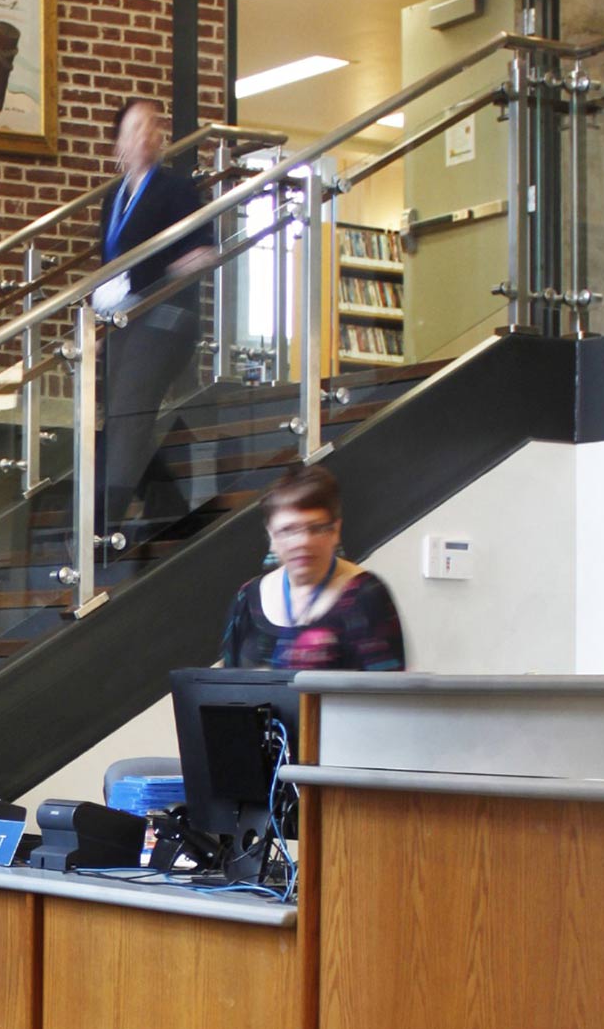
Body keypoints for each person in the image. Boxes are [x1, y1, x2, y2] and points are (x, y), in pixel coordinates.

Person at [95, 96, 219, 524]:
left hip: (166, 320)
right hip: (123, 323)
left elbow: (203, 253)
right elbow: (108, 266)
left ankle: (100, 521)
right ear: (118, 146)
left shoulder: (176, 188)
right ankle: (171, 510)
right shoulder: (113, 199)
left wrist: (159, 276)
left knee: (129, 411)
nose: (145, 135)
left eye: (152, 126)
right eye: (134, 129)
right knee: (122, 417)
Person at [220, 465, 406, 671]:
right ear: (271, 536)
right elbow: (228, 689)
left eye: (315, 528)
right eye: (288, 530)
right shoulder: (246, 599)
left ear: (335, 531)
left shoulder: (367, 596)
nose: (303, 541)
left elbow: (386, 696)